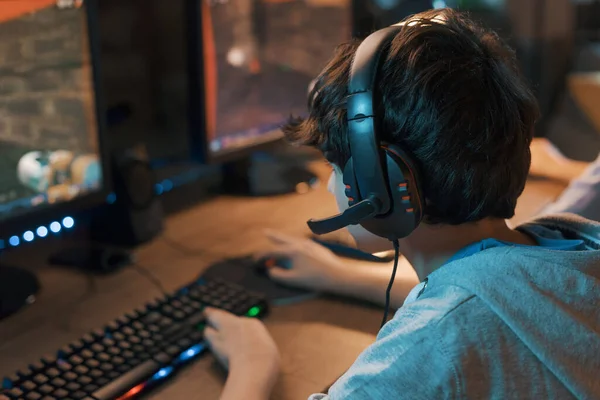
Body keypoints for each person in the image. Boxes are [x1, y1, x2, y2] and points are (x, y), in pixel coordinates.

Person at [203, 8, 600, 399]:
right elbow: (481, 299)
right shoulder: (567, 255)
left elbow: (453, 323)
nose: (329, 187)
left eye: (335, 167)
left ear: (381, 183)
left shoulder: (428, 348)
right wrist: (338, 276)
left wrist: (252, 367)